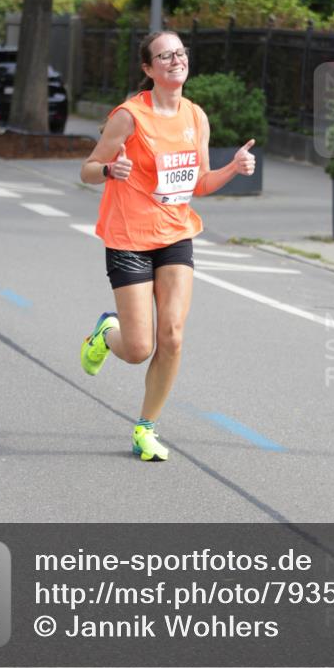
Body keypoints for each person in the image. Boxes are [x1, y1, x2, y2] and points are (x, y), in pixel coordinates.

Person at [79, 30, 256, 462]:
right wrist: (109, 171)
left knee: (173, 337)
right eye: (164, 56)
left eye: (180, 53)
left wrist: (233, 168)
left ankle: (146, 428)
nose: (175, 61)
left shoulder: (196, 116)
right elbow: (87, 168)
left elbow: (199, 183)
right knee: (139, 349)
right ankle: (107, 332)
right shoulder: (129, 116)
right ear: (148, 69)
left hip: (176, 234)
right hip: (129, 238)